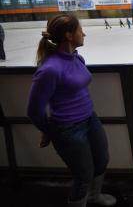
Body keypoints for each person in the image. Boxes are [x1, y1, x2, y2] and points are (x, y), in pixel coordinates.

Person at [27, 15, 116, 207]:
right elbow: (34, 110)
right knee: (83, 174)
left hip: (90, 119)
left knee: (101, 161)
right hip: (67, 129)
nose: (83, 33)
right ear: (68, 35)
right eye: (79, 30)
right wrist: (48, 131)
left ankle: (95, 196)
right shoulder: (49, 69)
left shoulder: (78, 58)